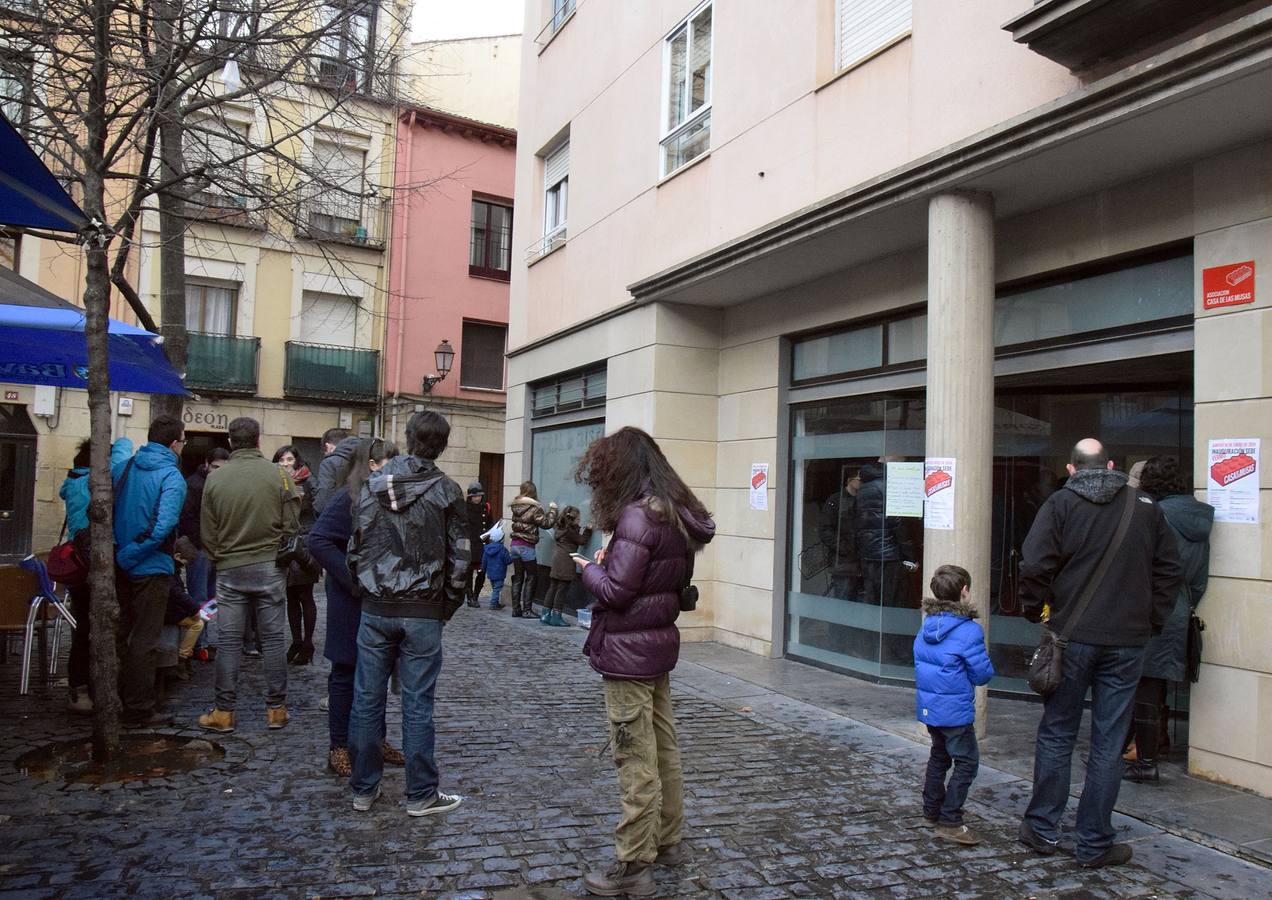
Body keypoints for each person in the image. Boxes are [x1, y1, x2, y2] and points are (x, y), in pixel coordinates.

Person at [1017, 438, 1182, 868]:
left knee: (1057, 733)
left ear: (1072, 469)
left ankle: (1041, 828)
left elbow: (1034, 564)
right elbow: (1169, 569)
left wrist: (1036, 610)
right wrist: (1152, 622)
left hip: (1072, 636)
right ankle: (1093, 842)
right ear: (1110, 465)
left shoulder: (1060, 504)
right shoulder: (1146, 505)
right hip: (1127, 641)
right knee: (1109, 742)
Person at [573, 426, 715, 898]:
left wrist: (589, 568)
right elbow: (668, 583)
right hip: (655, 648)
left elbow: (617, 592)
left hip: (628, 652)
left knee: (634, 754)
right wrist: (611, 560)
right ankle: (668, 841)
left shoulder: (637, 516)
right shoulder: (673, 514)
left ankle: (634, 863)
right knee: (663, 748)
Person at [345, 411, 468, 816]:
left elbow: (355, 545)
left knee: (367, 697)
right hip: (422, 610)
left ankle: (363, 788)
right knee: (417, 703)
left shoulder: (371, 486)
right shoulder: (447, 491)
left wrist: (364, 587)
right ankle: (420, 794)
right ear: (442, 445)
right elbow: (462, 558)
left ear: (409, 438)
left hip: (378, 606)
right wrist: (445, 605)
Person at [306, 437, 405, 777]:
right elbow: (317, 540)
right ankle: (338, 748)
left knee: (377, 670)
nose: (396, 466)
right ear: (373, 465)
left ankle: (376, 740)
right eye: (390, 460)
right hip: (350, 600)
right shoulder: (346, 498)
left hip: (377, 597)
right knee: (346, 672)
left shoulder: (384, 497)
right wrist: (350, 577)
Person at [197, 417, 302, 734]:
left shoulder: (216, 479)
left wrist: (220, 556)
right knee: (272, 640)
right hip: (269, 565)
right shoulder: (279, 476)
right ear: (258, 441)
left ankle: (225, 712)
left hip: (229, 566)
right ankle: (276, 710)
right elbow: (292, 526)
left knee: (228, 642)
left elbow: (207, 531)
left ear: (231, 442)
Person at [1124, 456, 1213, 783]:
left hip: (1150, 608)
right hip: (1179, 608)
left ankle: (1145, 760)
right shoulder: (1200, 518)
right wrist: (1183, 603)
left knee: (1143, 687)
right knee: (1154, 682)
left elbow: (1140, 566)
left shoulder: (1154, 514)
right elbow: (1200, 579)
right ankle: (1152, 743)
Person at [112, 415, 188, 728]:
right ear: (174, 443)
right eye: (182, 441)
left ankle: (114, 696)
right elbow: (163, 525)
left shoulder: (124, 467)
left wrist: (121, 554)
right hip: (150, 564)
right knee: (144, 639)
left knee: (121, 634)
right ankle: (139, 709)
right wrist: (132, 554)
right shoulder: (172, 476)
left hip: (119, 564)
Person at [913, 565, 995, 845]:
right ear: (964, 591)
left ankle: (931, 811)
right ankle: (950, 819)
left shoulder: (927, 625)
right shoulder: (968, 630)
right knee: (967, 762)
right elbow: (982, 673)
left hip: (931, 707)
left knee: (939, 756)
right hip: (955, 711)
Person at [60, 437, 131, 714]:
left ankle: (80, 689)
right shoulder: (95, 484)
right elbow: (122, 455)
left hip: (77, 563)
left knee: (83, 627)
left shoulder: (72, 483)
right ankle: (87, 689)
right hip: (94, 559)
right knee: (98, 627)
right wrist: (119, 440)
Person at [273, 444, 321, 665]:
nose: (285, 464)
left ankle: (308, 643)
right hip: (285, 542)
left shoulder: (309, 481)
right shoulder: (275, 481)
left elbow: (318, 509)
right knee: (291, 596)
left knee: (305, 595)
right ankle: (296, 641)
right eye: (281, 460)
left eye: (289, 460)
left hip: (304, 541)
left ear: (297, 461)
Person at [179, 447, 228, 658]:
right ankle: (198, 644)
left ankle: (203, 642)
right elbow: (188, 519)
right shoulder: (194, 485)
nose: (218, 471)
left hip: (213, 548)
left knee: (210, 598)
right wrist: (202, 543)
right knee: (199, 596)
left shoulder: (218, 484)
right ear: (207, 464)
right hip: (200, 549)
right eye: (215, 467)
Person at [854, 460, 919, 606]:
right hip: (890, 553)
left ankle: (871, 628)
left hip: (868, 552)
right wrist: (911, 556)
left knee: (873, 597)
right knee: (893, 599)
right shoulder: (889, 486)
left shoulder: (863, 489)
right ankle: (890, 628)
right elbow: (898, 523)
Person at [508, 481, 557, 618]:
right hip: (526, 546)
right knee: (531, 577)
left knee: (518, 577)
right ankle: (527, 610)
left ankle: (516, 609)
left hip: (515, 545)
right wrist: (553, 510)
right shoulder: (534, 508)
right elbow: (546, 524)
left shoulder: (516, 506)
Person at [542, 505, 592, 626]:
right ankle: (556, 617)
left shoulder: (560, 528)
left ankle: (545, 614)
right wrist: (588, 530)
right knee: (562, 589)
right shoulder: (570, 532)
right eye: (578, 520)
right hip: (566, 562)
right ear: (572, 520)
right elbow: (582, 541)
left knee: (553, 587)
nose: (579, 521)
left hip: (557, 560)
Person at [818, 469, 862, 600]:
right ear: (850, 480)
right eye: (860, 479)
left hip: (859, 560)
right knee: (843, 595)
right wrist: (844, 547)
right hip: (843, 560)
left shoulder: (862, 500)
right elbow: (825, 530)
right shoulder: (836, 500)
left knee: (856, 598)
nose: (862, 483)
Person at [312, 427, 359, 514]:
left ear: (327, 446)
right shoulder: (362, 458)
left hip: (337, 518)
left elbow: (323, 501)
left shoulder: (329, 462)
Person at [463, 482, 494, 608]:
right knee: (468, 572)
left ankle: (476, 595)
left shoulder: (486, 507)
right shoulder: (464, 508)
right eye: (474, 496)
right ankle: (470, 597)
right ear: (470, 497)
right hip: (470, 543)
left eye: (479, 496)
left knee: (481, 571)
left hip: (482, 544)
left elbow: (489, 525)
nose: (477, 498)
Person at [480, 523, 511, 610]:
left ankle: (496, 603)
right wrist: (512, 557)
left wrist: (483, 569)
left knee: (494, 588)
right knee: (497, 589)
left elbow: (484, 561)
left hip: (490, 573)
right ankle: (493, 604)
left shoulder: (487, 549)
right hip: (500, 573)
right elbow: (507, 560)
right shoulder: (502, 550)